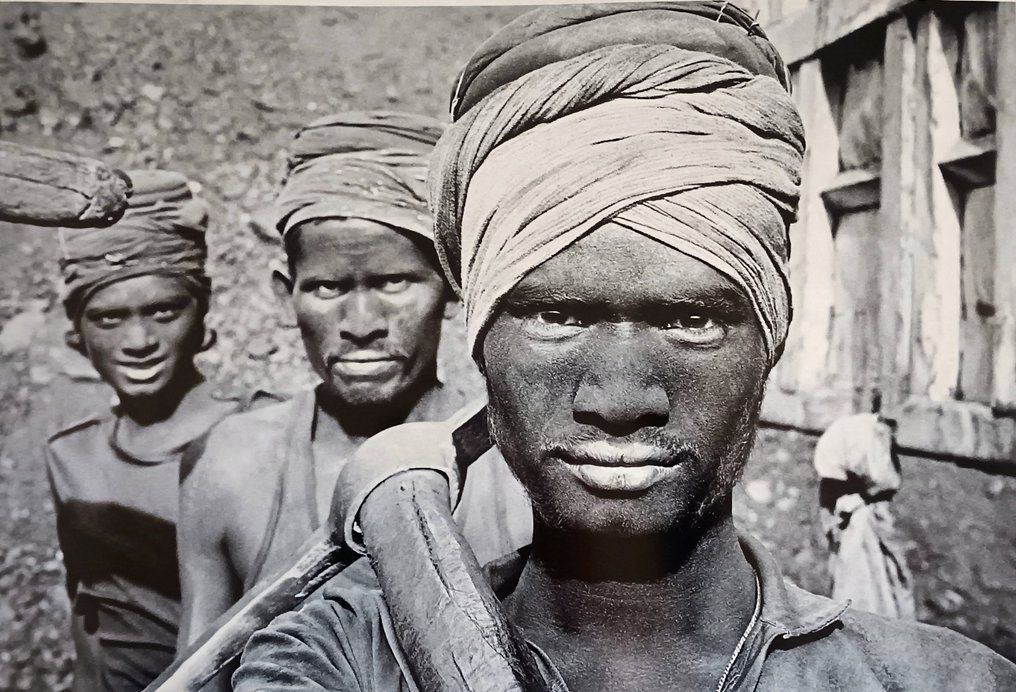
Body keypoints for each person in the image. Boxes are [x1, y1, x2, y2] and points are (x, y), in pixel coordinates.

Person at [233, 4, 1016, 691]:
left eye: (690, 321)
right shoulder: (345, 658)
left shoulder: (940, 681)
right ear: (478, 342)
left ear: (770, 340)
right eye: (556, 317)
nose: (617, 400)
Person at [176, 111, 530, 669]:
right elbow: (198, 674)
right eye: (327, 286)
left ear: (454, 284)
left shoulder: (516, 473)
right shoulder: (233, 466)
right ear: (284, 292)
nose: (361, 322)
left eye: (394, 282)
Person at [45, 169, 244, 691]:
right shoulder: (72, 456)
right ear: (77, 333)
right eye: (108, 319)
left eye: (164, 311)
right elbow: (90, 614)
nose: (139, 340)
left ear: (201, 313)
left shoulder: (260, 436)